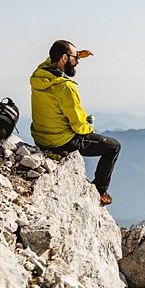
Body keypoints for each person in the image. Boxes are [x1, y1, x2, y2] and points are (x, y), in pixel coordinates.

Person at [29, 40, 121, 205]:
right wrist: (90, 130)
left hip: (41, 138)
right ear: (64, 58)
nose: (77, 62)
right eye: (74, 58)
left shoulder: (39, 75)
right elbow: (78, 126)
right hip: (61, 141)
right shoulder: (65, 87)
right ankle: (100, 191)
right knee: (113, 147)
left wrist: (76, 53)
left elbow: (50, 59)